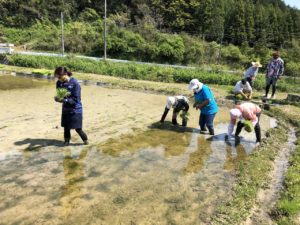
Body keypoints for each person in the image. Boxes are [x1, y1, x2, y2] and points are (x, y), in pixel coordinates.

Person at [54, 66, 88, 146]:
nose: (59, 79)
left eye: (60, 77)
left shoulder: (75, 83)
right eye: (57, 77)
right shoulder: (59, 83)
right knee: (66, 127)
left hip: (76, 109)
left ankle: (86, 141)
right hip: (66, 108)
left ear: (65, 74)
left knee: (78, 128)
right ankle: (66, 142)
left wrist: (65, 100)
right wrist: (57, 99)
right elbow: (60, 95)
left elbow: (76, 99)